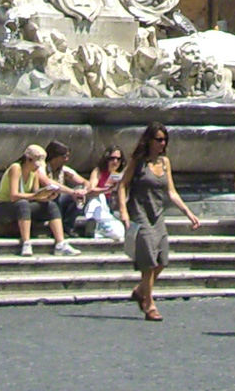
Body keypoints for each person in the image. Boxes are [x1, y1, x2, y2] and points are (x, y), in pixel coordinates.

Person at [116, 122, 199, 320]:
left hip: (157, 214)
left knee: (162, 259)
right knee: (148, 261)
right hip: (139, 213)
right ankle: (149, 304)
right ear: (149, 140)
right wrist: (123, 212)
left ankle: (140, 290)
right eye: (159, 139)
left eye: (165, 140)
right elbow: (122, 185)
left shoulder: (165, 162)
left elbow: (171, 192)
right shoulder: (138, 162)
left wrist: (188, 212)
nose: (162, 143)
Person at [0, 143, 79, 257]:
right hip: (2, 207)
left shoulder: (35, 172)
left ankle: (60, 244)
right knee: (22, 203)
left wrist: (47, 197)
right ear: (28, 159)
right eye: (36, 164)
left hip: (22, 206)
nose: (37, 167)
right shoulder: (16, 168)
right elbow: (14, 196)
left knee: (51, 205)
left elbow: (36, 194)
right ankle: (26, 243)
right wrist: (36, 196)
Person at [83, 145, 127, 241]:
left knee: (118, 232)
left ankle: (98, 231)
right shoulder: (98, 171)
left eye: (118, 159)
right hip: (98, 204)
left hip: (111, 207)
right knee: (98, 199)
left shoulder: (120, 175)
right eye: (112, 158)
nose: (115, 161)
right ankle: (92, 223)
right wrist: (106, 190)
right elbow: (90, 191)